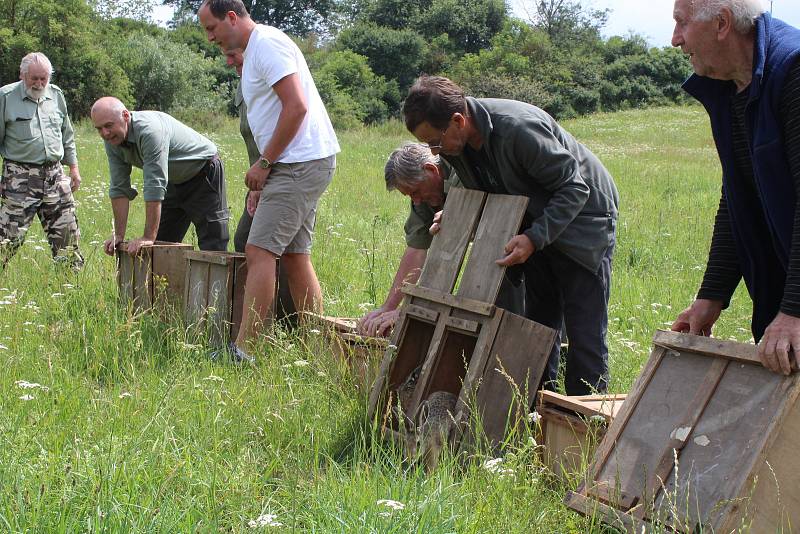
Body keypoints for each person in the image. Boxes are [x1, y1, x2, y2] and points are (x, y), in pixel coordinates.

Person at [403, 75, 619, 396]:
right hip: (535, 226)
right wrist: (460, 215)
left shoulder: (517, 129)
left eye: (435, 142)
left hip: (583, 222)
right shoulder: (455, 147)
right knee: (539, 328)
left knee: (584, 332)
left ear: (459, 121)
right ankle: (537, 419)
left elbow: (575, 187)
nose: (434, 151)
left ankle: (583, 428)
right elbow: (486, 186)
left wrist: (534, 237)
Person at [199, 0, 339, 360]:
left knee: (259, 250)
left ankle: (245, 351)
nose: (210, 37)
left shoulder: (268, 44)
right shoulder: (255, 50)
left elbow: (297, 107)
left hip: (299, 162)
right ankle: (314, 345)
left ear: (232, 17)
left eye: (211, 28)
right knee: (295, 254)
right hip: (297, 163)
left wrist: (264, 163)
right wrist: (268, 176)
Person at [669, 0, 800, 375]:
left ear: (722, 23)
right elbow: (739, 197)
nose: (675, 39)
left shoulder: (793, 72)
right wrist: (712, 295)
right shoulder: (728, 89)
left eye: (681, 23)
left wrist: (793, 310)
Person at [357, 143, 524, 337]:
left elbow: (456, 252)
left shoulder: (462, 173)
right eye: (410, 196)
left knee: (512, 314)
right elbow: (417, 250)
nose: (416, 200)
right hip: (498, 244)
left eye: (415, 192)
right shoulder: (423, 194)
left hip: (517, 237)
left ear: (431, 169)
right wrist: (388, 307)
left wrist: (412, 310)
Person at [91, 97, 230, 257]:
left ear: (125, 116)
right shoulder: (112, 140)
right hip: (172, 180)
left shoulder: (150, 130)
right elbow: (119, 188)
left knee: (213, 247)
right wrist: (118, 235)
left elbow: (154, 185)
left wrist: (148, 237)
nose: (105, 133)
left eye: (109, 126)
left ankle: (218, 283)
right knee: (160, 248)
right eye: (99, 129)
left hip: (202, 173)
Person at [227, 49, 296, 322]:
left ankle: (287, 321)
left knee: (270, 248)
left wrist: (266, 170)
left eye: (234, 55)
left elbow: (290, 122)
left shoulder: (271, 77)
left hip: (284, 171)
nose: (229, 62)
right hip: (263, 175)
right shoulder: (245, 86)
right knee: (247, 240)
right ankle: (258, 319)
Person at [0, 52, 83, 269]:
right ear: (22, 75)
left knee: (67, 240)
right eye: (34, 78)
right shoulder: (6, 97)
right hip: (19, 178)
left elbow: (67, 134)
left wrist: (73, 168)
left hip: (55, 177)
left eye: (43, 79)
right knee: (6, 241)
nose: (39, 84)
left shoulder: (56, 95)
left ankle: (71, 290)